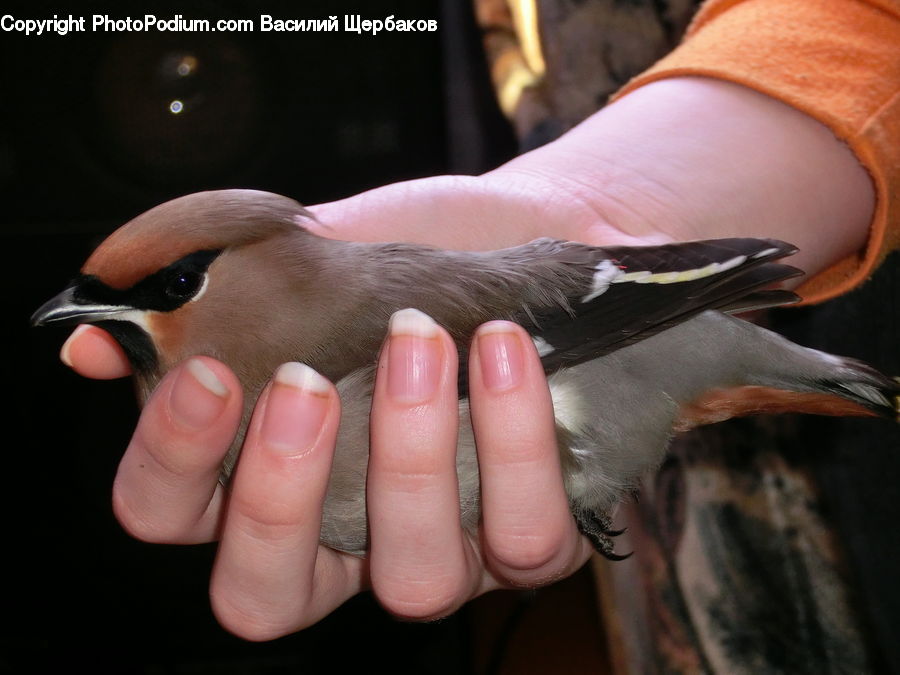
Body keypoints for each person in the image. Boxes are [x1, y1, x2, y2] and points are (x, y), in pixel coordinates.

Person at [60, 0, 899, 642]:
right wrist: (608, 204)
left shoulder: (325, 328)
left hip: (642, 349)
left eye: (171, 287)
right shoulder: (253, 358)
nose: (117, 317)